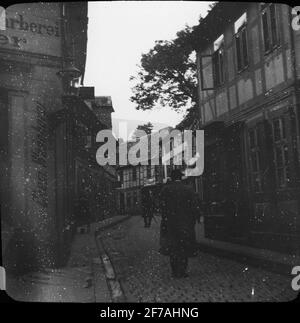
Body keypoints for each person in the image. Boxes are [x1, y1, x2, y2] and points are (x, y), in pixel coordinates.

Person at [160, 169, 199, 278]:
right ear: (181, 177)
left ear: (171, 178)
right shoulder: (188, 190)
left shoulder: (165, 190)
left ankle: (174, 271)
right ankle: (182, 271)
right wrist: (192, 221)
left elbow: (162, 207)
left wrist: (166, 220)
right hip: (185, 224)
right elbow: (194, 207)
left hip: (171, 224)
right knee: (184, 247)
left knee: (173, 248)